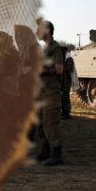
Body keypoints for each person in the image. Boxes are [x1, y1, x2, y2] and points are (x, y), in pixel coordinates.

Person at [35, 19, 66, 166]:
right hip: (42, 91)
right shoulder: (44, 49)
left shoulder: (56, 48)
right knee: (41, 122)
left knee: (50, 122)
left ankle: (56, 154)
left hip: (51, 92)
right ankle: (45, 150)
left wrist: (42, 69)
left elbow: (59, 69)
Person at [61, 44, 76, 119]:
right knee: (61, 98)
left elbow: (69, 69)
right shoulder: (61, 59)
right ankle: (62, 113)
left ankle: (66, 114)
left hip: (66, 81)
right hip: (60, 81)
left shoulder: (69, 59)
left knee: (65, 98)